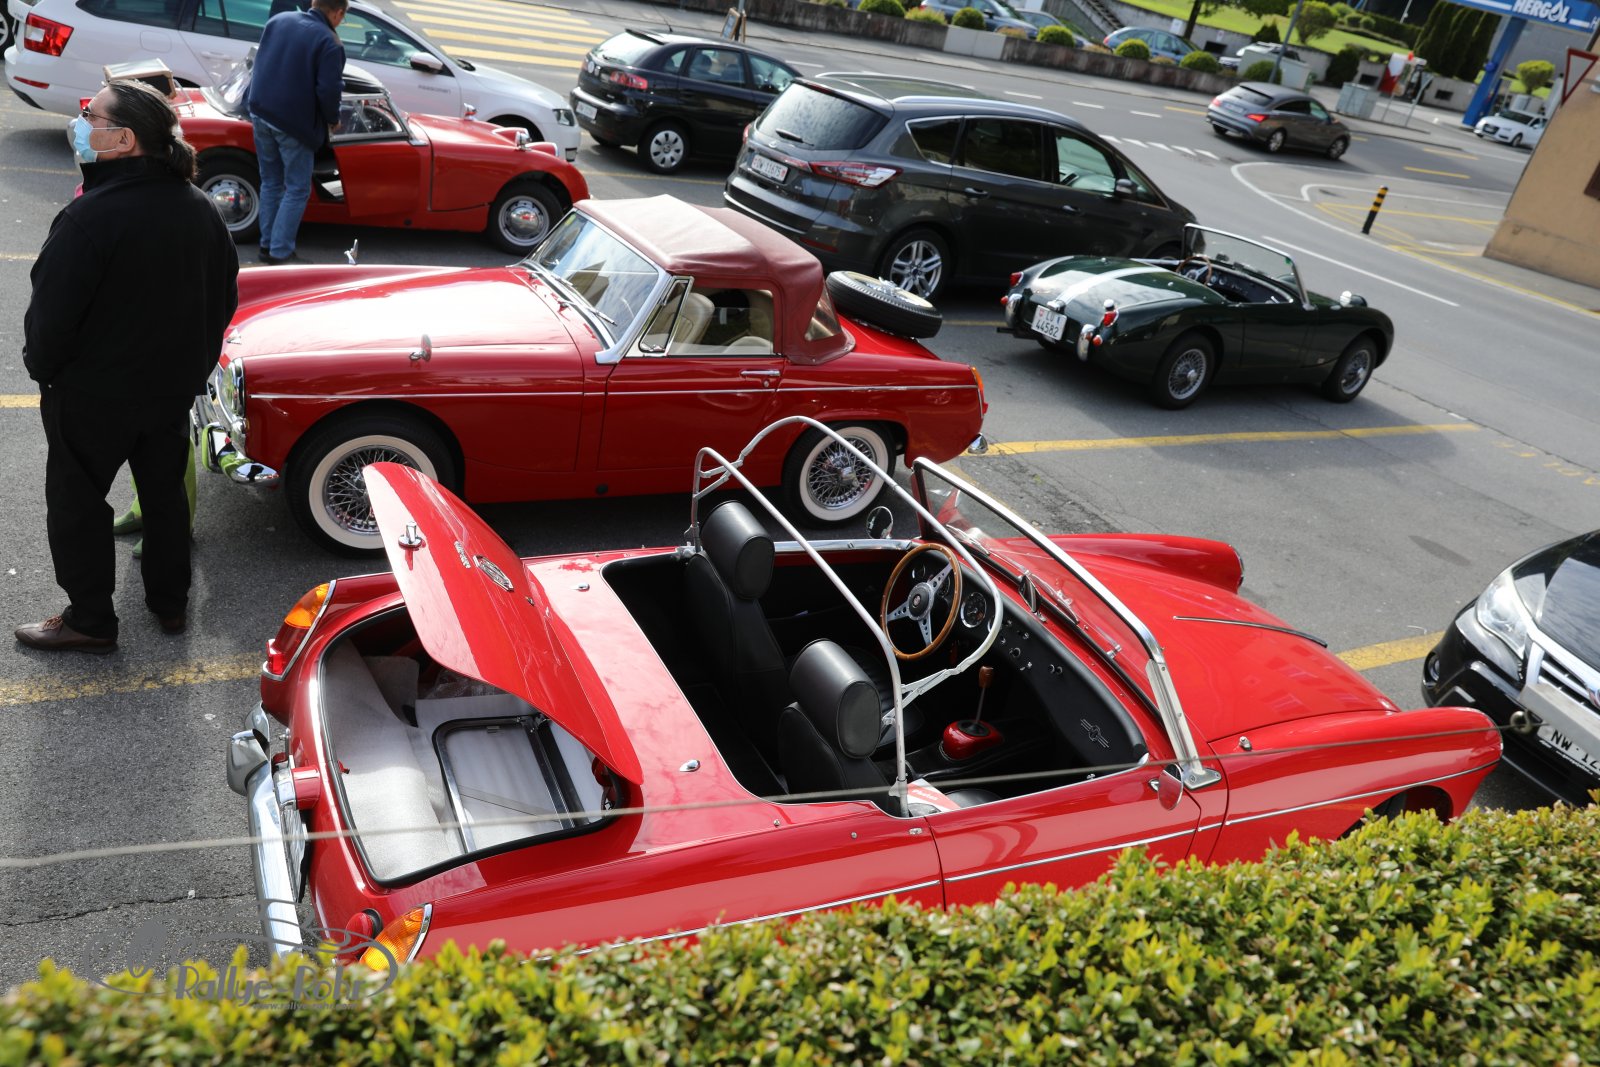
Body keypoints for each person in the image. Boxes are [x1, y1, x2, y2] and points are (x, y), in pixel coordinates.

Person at [15, 79, 239, 654]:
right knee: (164, 497)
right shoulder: (200, 208)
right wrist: (191, 366)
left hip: (92, 394)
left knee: (78, 503)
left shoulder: (91, 216)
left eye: (91, 116)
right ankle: (170, 604)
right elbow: (224, 298)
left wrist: (44, 370)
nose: (81, 123)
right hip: (169, 392)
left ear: (124, 139)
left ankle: (90, 620)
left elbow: (52, 319)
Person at [246, 0, 347, 264]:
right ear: (338, 13)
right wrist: (333, 119)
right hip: (294, 123)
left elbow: (261, 63)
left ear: (314, 3)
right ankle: (280, 252)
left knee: (271, 182)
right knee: (297, 188)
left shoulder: (279, 20)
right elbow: (329, 90)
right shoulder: (329, 42)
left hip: (260, 112)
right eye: (343, 17)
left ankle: (266, 246)